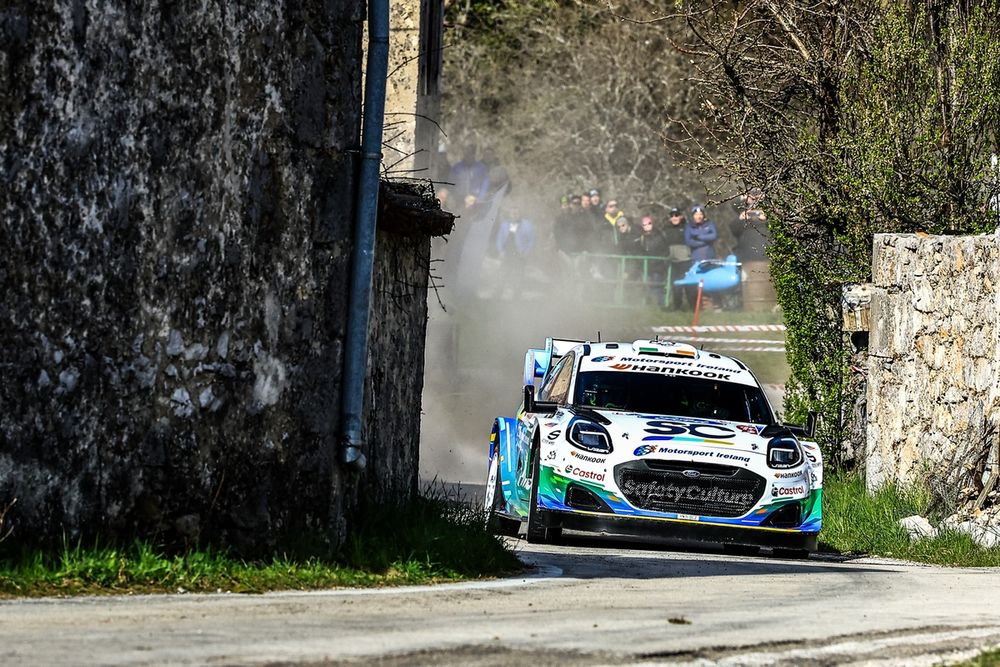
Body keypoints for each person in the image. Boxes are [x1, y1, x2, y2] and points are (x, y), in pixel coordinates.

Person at [635, 215, 670, 305]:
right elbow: (639, 251)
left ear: (652, 224)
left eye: (649, 223)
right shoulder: (641, 237)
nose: (647, 226)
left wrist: (657, 261)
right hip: (646, 266)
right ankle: (647, 306)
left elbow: (665, 250)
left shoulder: (659, 235)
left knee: (657, 286)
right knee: (646, 286)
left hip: (657, 266)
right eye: (644, 224)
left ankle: (661, 306)